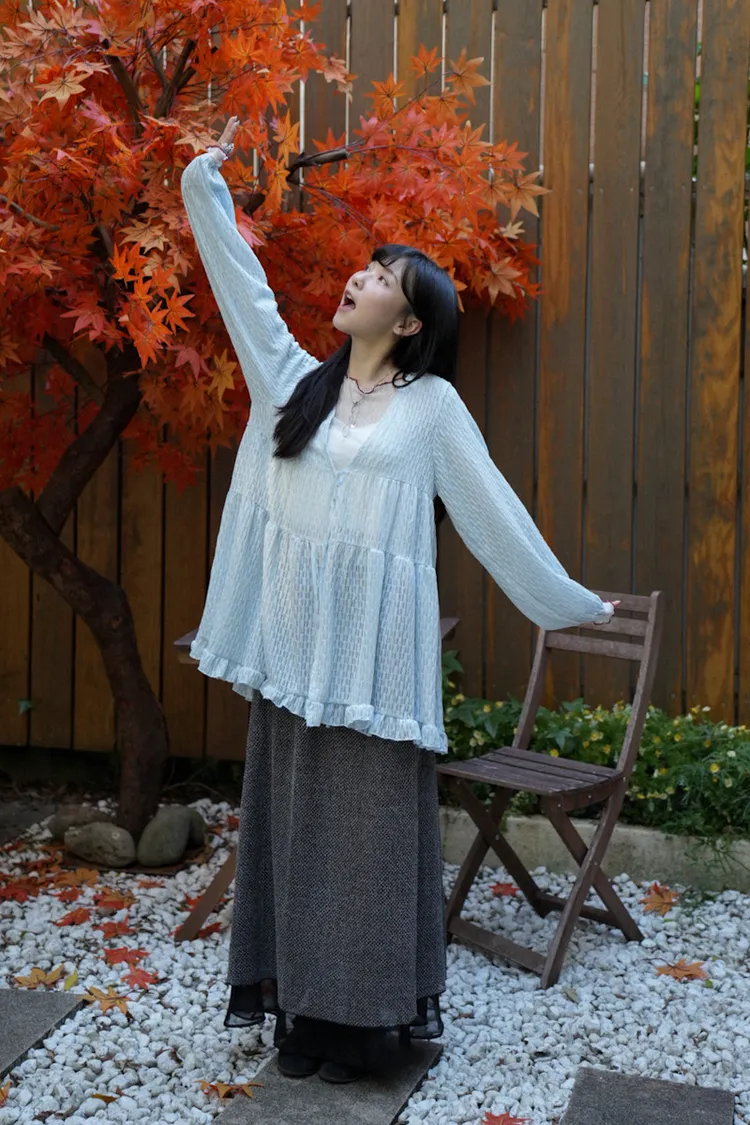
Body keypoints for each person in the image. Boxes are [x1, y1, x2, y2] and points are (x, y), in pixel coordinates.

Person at [180, 115, 617, 1086]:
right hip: (294, 663)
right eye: (366, 267)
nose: (359, 277)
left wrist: (564, 601)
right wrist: (204, 183)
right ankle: (299, 1019)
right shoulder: (291, 383)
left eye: (381, 276)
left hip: (375, 676)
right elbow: (241, 286)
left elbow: (494, 512)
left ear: (410, 322)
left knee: (367, 851)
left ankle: (364, 1029)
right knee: (293, 838)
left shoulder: (430, 412)